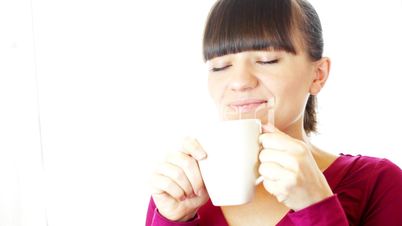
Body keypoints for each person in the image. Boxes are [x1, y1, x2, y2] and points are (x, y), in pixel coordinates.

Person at [145, 0, 402, 225]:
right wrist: (172, 222)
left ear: (318, 74)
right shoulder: (182, 191)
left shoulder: (378, 183)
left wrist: (317, 206)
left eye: (267, 60)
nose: (239, 81)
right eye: (220, 66)